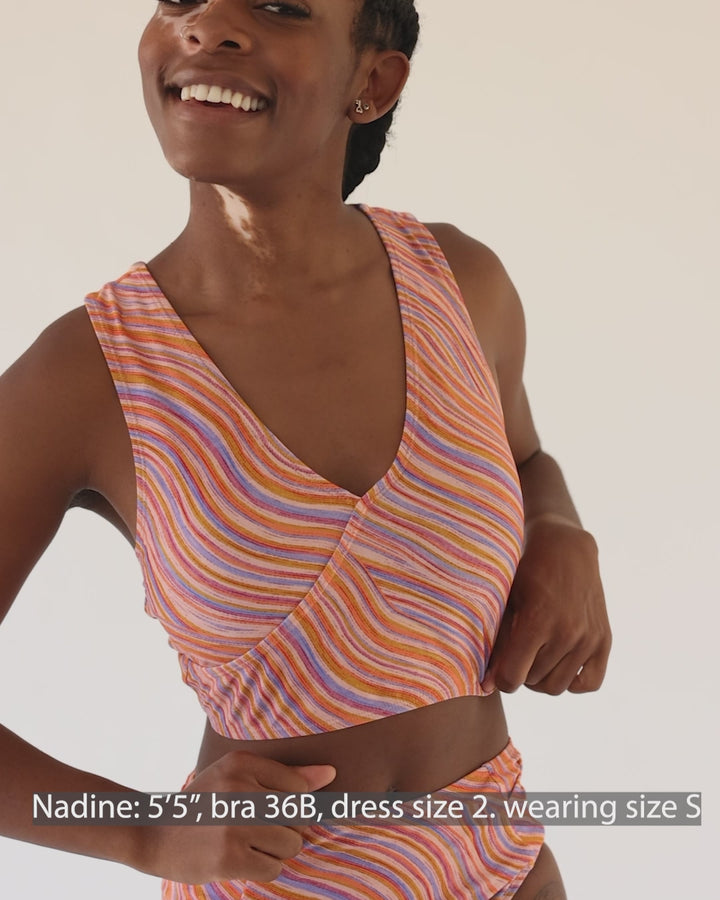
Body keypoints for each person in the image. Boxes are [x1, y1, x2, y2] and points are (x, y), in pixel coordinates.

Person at [0, 1, 611, 898]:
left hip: (504, 866)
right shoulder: (90, 374)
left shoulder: (459, 284)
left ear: (374, 80)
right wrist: (140, 836)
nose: (208, 28)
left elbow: (522, 459)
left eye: (278, 5)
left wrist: (560, 528)